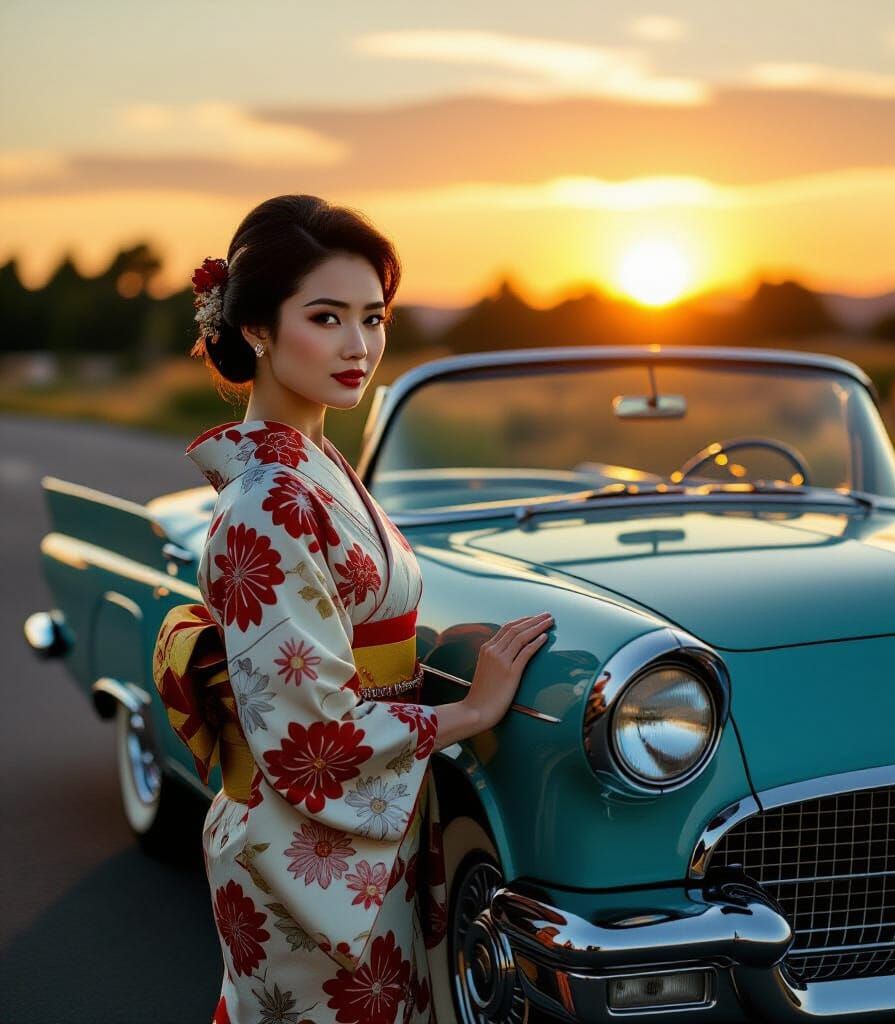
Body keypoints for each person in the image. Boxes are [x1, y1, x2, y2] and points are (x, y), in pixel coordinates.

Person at [152, 194, 553, 1024]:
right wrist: (471, 710)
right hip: (301, 844)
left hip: (359, 827)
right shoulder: (270, 500)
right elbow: (307, 739)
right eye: (326, 317)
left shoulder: (317, 466)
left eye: (373, 318)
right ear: (257, 327)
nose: (359, 345)